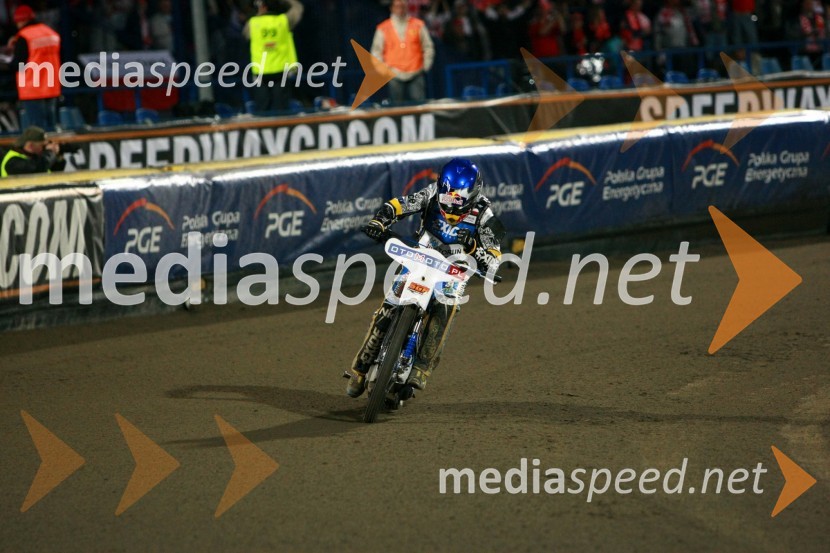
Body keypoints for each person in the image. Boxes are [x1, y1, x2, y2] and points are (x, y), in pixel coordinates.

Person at [346, 158, 504, 398]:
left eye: (458, 201)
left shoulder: (485, 213)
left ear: (472, 195)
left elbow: (494, 258)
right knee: (387, 308)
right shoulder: (430, 193)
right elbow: (400, 205)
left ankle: (422, 368)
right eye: (447, 198)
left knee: (446, 309)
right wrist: (380, 220)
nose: (451, 207)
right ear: (441, 187)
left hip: (454, 268)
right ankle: (360, 367)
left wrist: (473, 247)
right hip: (419, 256)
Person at [6, 5, 61, 131]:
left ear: (20, 20)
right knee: (51, 128)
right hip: (51, 87)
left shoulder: (24, 37)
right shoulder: (50, 33)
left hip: (33, 90)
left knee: (37, 131)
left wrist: (8, 62)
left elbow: (19, 64)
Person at [243, 0, 304, 113]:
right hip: (280, 72)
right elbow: (298, 8)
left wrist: (258, 14)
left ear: (263, 7)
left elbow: (245, 35)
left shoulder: (253, 23)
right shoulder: (284, 21)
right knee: (281, 110)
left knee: (262, 111)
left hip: (260, 73)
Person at [371, 0, 435, 103]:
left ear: (407, 7)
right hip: (394, 74)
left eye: (403, 6)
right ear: (391, 8)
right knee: (397, 109)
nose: (400, 9)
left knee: (419, 107)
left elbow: (428, 47)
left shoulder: (418, 25)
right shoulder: (383, 28)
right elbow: (376, 52)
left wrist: (426, 66)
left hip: (416, 72)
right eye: (397, 6)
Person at [1, 126, 66, 178]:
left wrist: (58, 156)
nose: (44, 148)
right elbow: (36, 170)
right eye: (42, 145)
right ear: (30, 146)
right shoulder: (13, 161)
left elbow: (56, 173)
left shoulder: (35, 156)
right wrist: (50, 152)